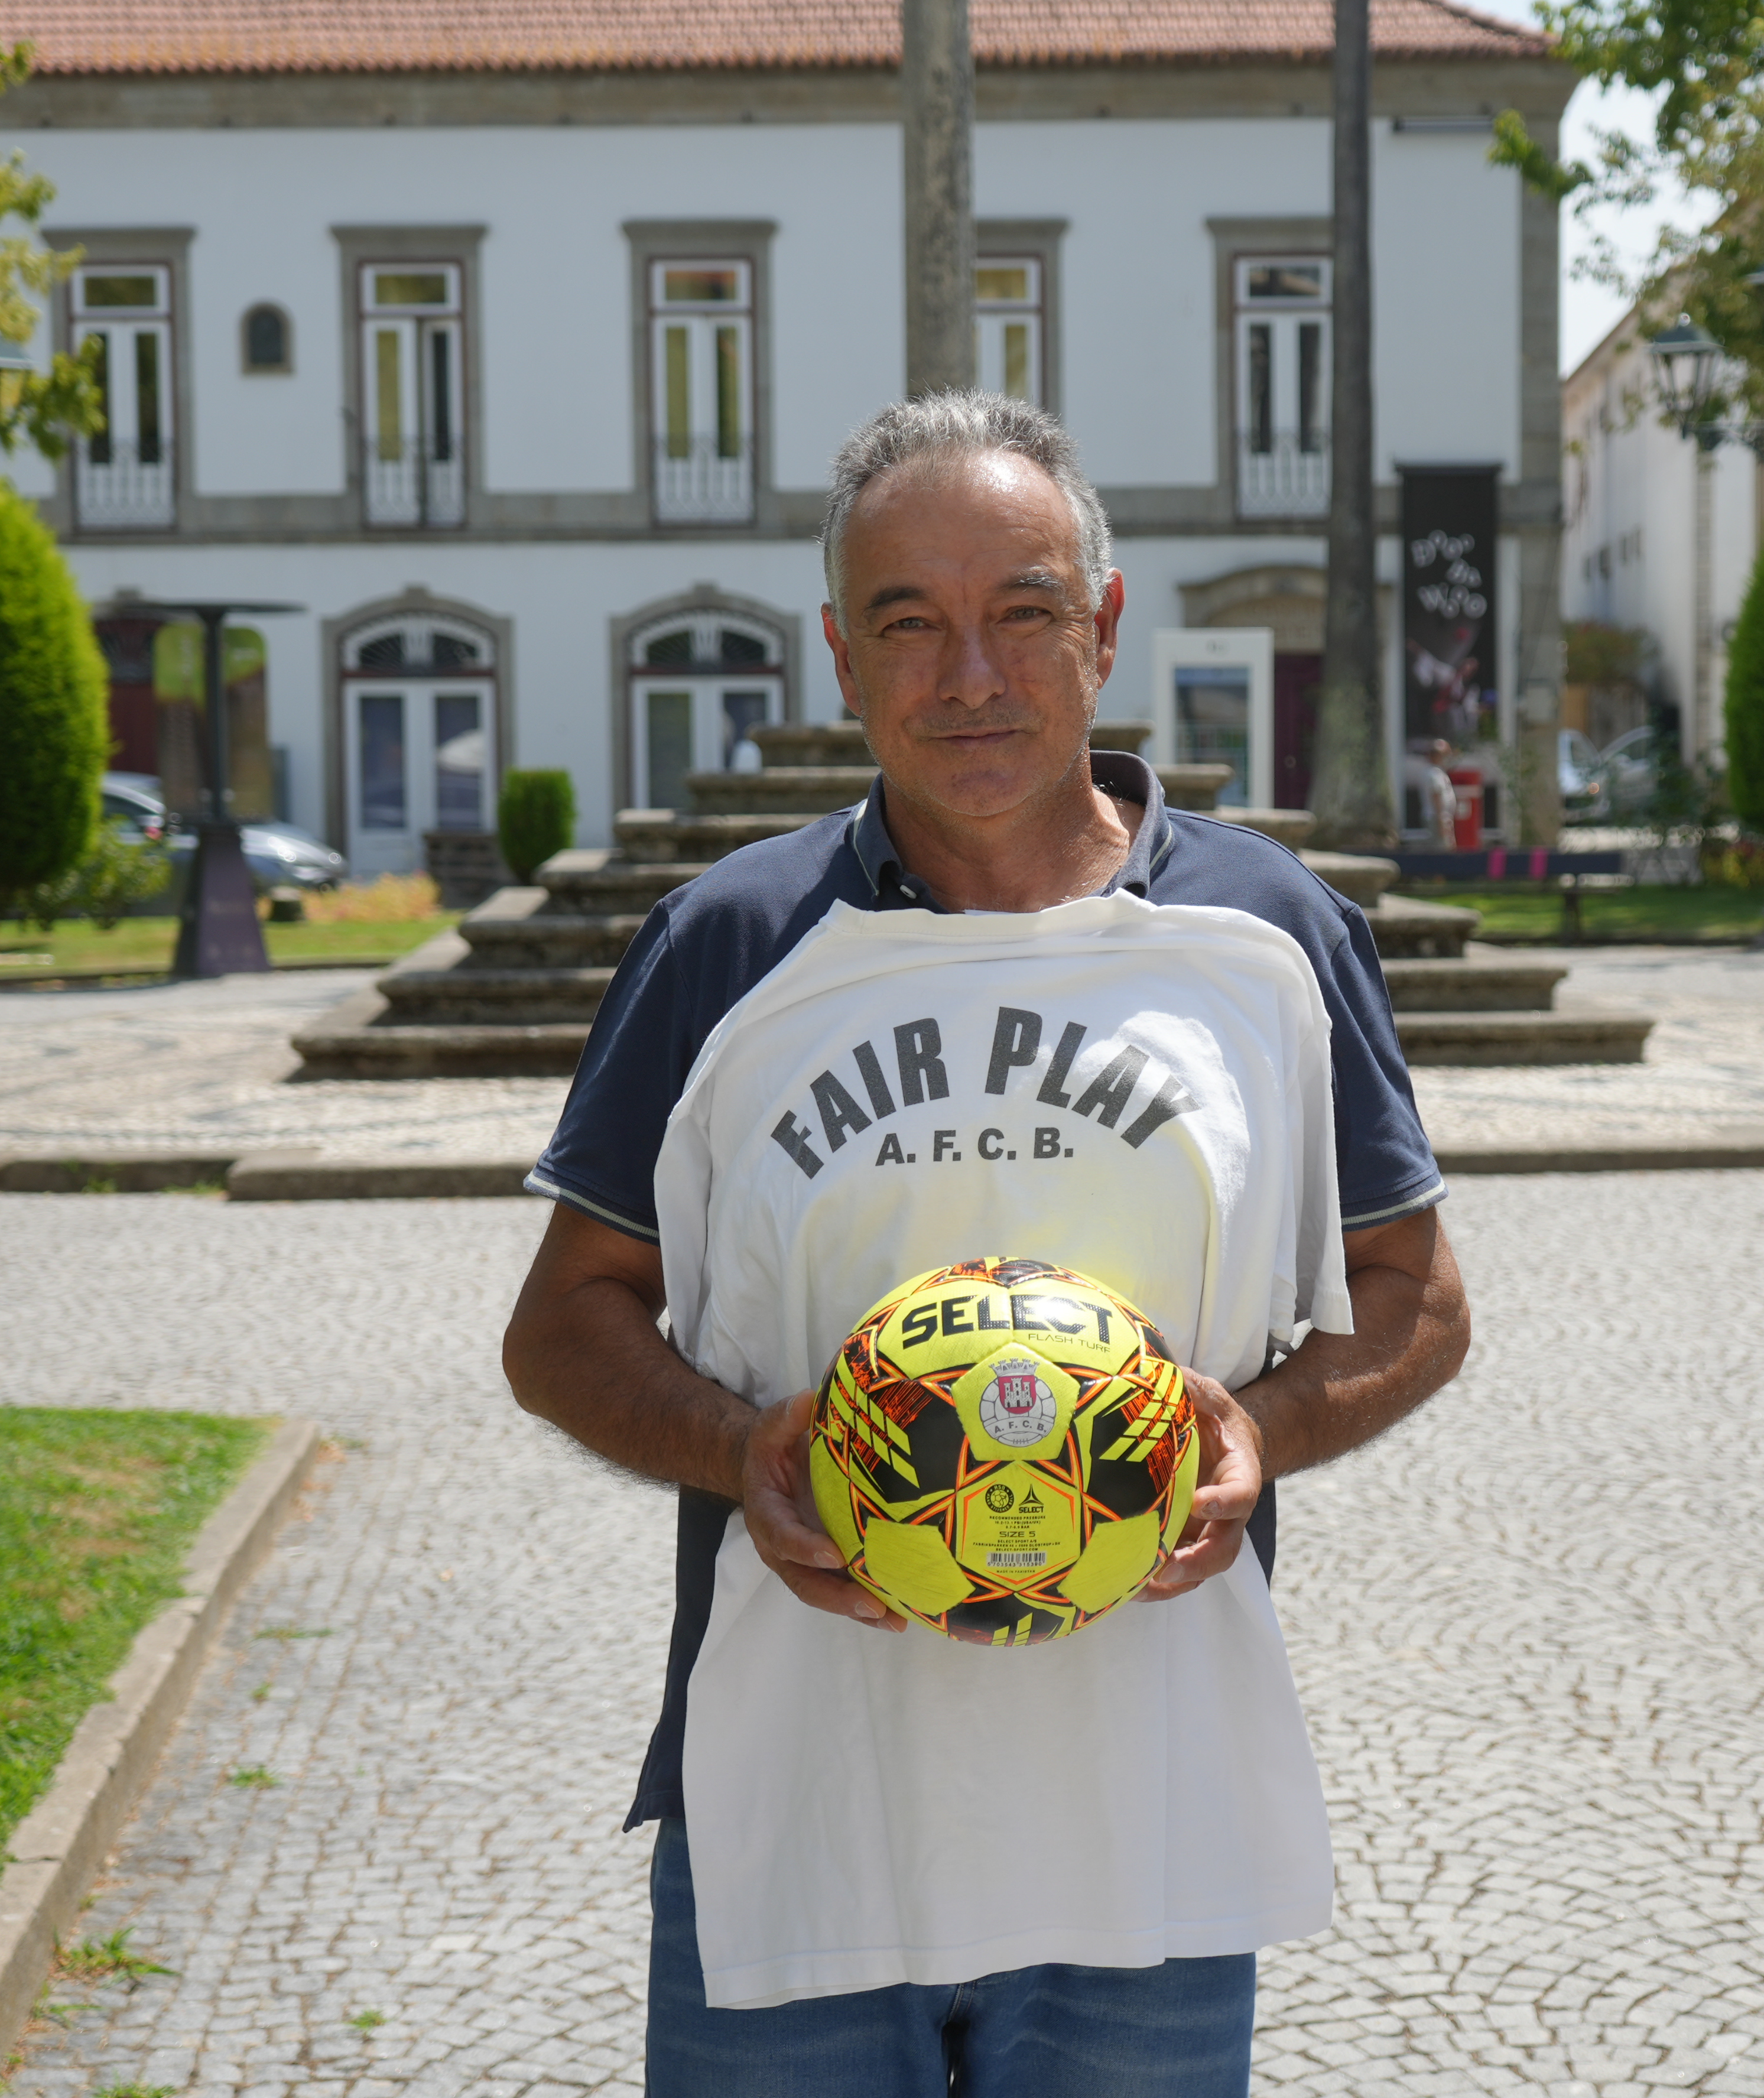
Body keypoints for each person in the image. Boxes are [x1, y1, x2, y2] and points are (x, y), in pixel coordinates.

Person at [499, 393, 1469, 2097]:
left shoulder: (1266, 939)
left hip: (1146, 1839)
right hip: (794, 1811)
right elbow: (564, 1320)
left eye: (1022, 612)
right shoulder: (730, 944)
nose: (970, 674)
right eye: (908, 624)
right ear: (838, 660)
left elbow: (1418, 1296)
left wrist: (1263, 1424)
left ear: (1102, 630)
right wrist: (744, 1442)